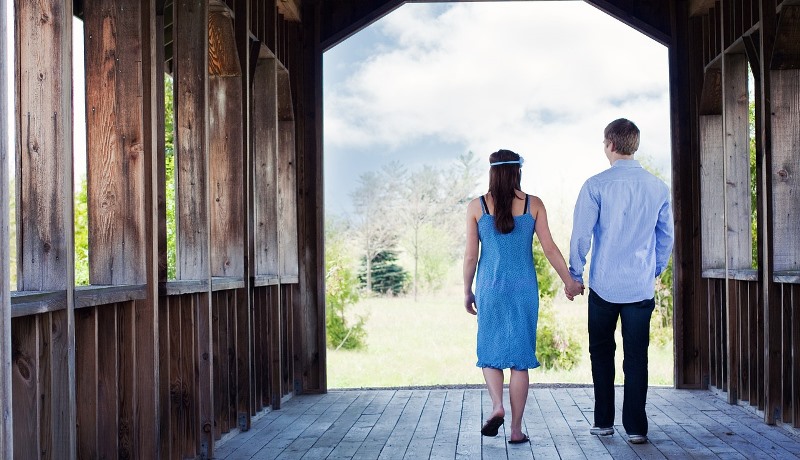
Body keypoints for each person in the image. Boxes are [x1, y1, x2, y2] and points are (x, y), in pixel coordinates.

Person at [463, 149, 584, 444]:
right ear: (518, 171)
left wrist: (467, 290)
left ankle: (497, 406)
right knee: (519, 360)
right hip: (524, 290)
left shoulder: (477, 206)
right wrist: (570, 282)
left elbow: (470, 257)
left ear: (492, 172)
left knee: (490, 352)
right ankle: (516, 430)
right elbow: (550, 248)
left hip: (490, 288)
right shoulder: (534, 204)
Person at [568, 118, 674, 445]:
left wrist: (575, 273)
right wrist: (654, 269)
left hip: (603, 286)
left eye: (604, 143)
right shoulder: (657, 187)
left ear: (610, 145)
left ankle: (603, 423)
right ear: (634, 145)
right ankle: (637, 428)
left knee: (601, 353)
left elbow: (581, 236)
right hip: (640, 288)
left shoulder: (595, 185)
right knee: (636, 357)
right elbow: (666, 237)